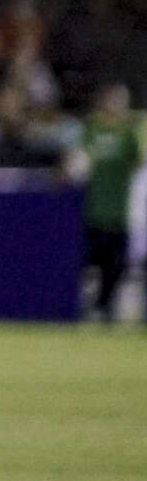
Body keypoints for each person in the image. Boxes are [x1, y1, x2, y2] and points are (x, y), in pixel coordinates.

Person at [69, 83, 143, 323]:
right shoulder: (92, 129)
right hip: (93, 210)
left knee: (115, 266)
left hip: (119, 211)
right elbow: (78, 160)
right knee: (88, 261)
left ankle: (106, 307)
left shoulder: (128, 133)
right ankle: (84, 306)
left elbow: (139, 163)